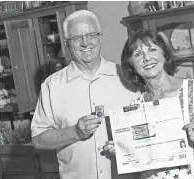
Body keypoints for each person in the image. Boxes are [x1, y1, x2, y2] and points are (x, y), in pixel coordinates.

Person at [104, 29, 194, 179]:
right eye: (138, 54)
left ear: (164, 54)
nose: (146, 58)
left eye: (152, 49)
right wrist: (122, 152)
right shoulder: (136, 109)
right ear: (131, 65)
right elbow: (139, 161)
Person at [31, 10, 137, 179]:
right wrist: (75, 132)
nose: (85, 42)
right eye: (76, 38)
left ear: (99, 36)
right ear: (66, 43)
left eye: (91, 35)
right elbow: (38, 139)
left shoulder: (127, 77)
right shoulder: (52, 86)